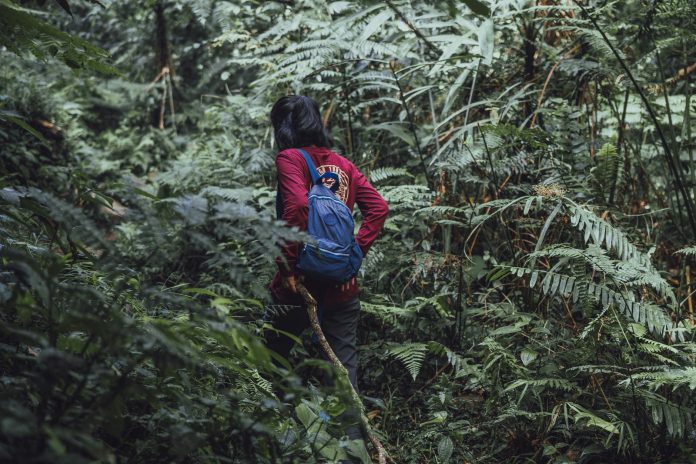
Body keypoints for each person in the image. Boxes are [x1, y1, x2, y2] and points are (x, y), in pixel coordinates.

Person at [265, 95, 389, 441]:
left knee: (269, 356)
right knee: (343, 371)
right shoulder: (343, 165)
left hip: (297, 284)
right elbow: (378, 208)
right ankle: (351, 449)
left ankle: (271, 435)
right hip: (341, 287)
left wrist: (288, 267)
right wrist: (354, 256)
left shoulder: (290, 158)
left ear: (283, 128)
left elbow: (297, 209)